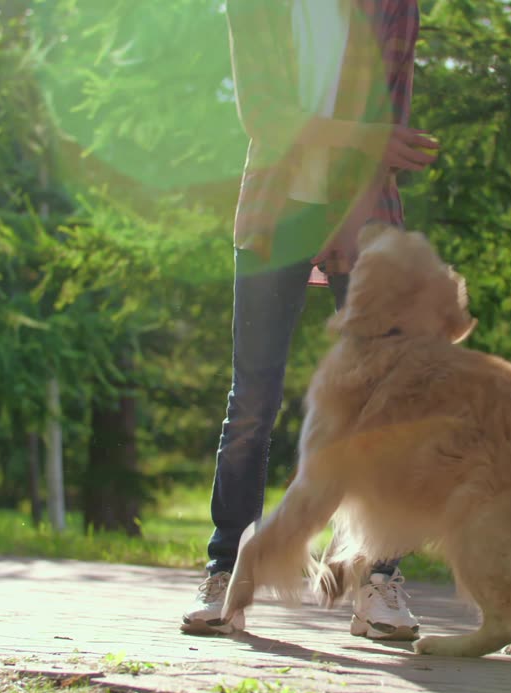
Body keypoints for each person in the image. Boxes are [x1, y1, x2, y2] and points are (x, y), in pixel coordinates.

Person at [181, 0, 438, 639]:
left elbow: (391, 121)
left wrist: (348, 209)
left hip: (364, 207)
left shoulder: (391, 6)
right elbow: (265, 122)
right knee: (253, 403)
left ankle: (377, 581)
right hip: (276, 211)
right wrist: (364, 136)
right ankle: (226, 573)